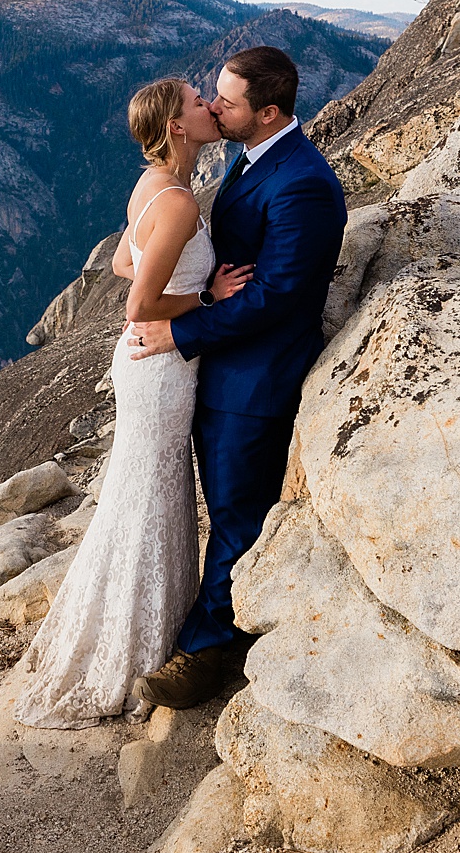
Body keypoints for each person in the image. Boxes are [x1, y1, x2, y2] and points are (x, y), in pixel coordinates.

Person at [12, 79, 253, 728]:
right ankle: (131, 654)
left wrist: (177, 282)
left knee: (144, 497)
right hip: (162, 365)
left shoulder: (153, 186)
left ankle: (137, 637)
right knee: (151, 497)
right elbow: (138, 301)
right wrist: (210, 298)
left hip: (148, 363)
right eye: (198, 100)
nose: (210, 105)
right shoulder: (174, 202)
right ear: (177, 127)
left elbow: (124, 258)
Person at [127, 45, 347, 710]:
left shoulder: (302, 182)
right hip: (221, 368)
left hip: (256, 381)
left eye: (226, 100)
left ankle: (205, 652)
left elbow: (278, 295)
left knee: (235, 516)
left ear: (270, 111)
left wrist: (182, 327)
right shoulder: (256, 160)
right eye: (211, 96)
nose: (214, 105)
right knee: (225, 508)